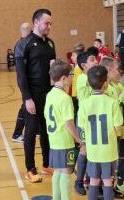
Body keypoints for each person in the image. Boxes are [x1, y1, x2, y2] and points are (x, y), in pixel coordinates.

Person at [15, 9, 56, 183]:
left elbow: (53, 69)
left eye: (50, 23)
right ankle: (30, 169)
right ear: (36, 22)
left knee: (47, 131)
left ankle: (47, 164)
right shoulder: (24, 44)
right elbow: (21, 75)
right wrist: (27, 98)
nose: (49, 26)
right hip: (32, 95)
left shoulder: (50, 44)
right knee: (31, 132)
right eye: (47, 23)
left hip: (48, 94)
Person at [78, 65, 123, 200]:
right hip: (109, 149)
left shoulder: (85, 104)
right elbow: (118, 127)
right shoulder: (112, 102)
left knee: (94, 181)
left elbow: (82, 127)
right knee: (108, 180)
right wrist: (117, 137)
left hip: (93, 150)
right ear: (105, 84)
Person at [44, 59, 82, 200]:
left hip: (53, 139)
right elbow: (68, 123)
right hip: (64, 140)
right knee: (67, 171)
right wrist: (78, 139)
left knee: (58, 170)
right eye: (71, 74)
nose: (73, 77)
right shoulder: (65, 98)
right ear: (64, 78)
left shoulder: (50, 94)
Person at [74, 51, 97, 195]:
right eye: (92, 60)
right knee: (84, 150)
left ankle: (89, 179)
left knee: (93, 150)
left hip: (95, 120)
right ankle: (78, 181)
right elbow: (96, 81)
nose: (96, 61)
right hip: (84, 121)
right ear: (83, 65)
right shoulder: (83, 78)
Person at [11, 22, 32, 143]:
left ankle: (38, 130)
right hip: (25, 80)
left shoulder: (23, 43)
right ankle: (17, 133)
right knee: (26, 106)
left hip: (26, 80)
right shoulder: (22, 45)